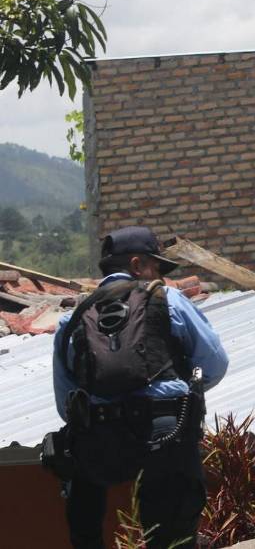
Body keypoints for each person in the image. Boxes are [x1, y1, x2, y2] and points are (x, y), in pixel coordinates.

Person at [51, 226, 229, 548]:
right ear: (137, 265)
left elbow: (67, 404)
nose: (159, 276)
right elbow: (214, 364)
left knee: (83, 500)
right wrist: (182, 391)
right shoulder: (167, 299)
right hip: (165, 432)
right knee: (172, 537)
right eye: (156, 267)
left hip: (101, 443)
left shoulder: (72, 319)